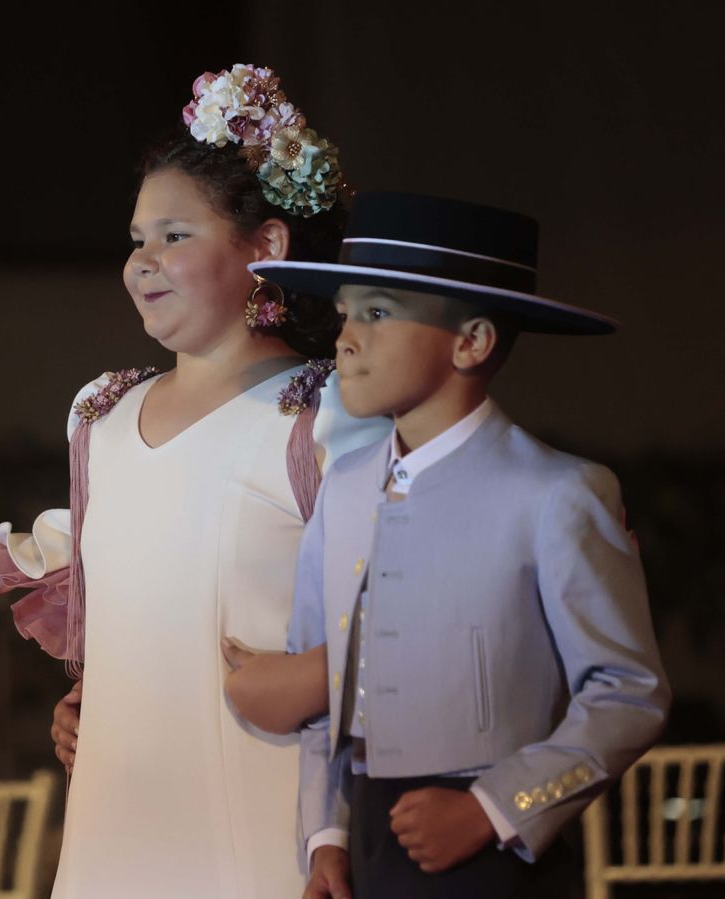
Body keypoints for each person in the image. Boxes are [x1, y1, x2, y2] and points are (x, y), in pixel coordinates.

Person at [0, 64, 388, 898]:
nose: (143, 262)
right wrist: (93, 694)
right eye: (135, 240)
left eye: (175, 236)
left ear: (264, 246)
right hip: (114, 826)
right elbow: (119, 616)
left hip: (266, 823)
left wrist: (333, 830)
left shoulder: (325, 413)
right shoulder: (101, 414)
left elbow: (383, 631)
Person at [253, 191, 672, 898]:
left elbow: (629, 693)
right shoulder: (345, 488)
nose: (346, 336)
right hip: (367, 854)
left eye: (378, 313)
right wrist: (326, 835)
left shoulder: (557, 493)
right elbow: (321, 691)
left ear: (472, 340)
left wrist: (494, 805)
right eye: (347, 312)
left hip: (495, 858)